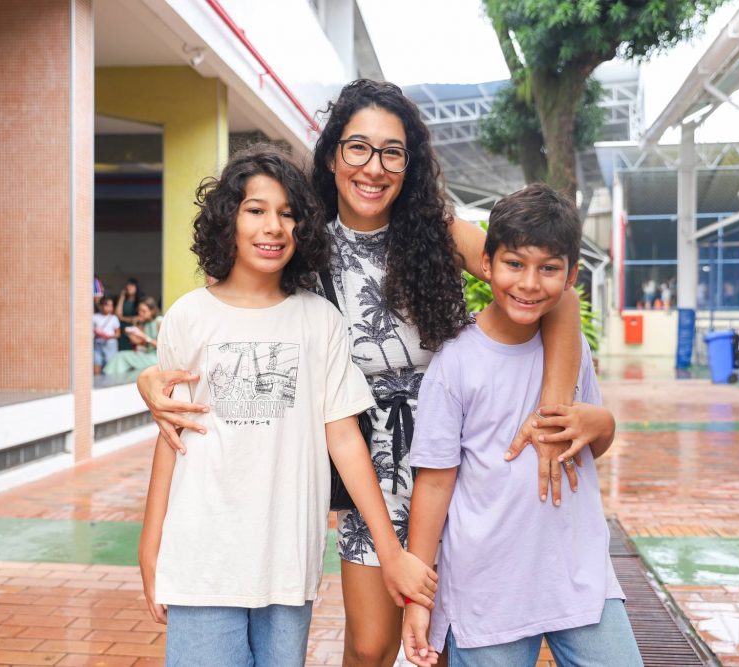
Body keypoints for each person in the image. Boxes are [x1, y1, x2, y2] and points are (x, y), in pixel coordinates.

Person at [137, 80, 584, 666]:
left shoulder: (439, 232)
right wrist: (151, 379)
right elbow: (230, 321)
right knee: (372, 646)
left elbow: (555, 293)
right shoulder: (300, 237)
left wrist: (552, 415)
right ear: (332, 154)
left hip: (458, 454)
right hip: (368, 461)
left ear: (409, 164)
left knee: (446, 638)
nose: (374, 167)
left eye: (392, 152)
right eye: (359, 148)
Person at [138, 146, 437, 666]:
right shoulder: (188, 317)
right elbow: (172, 436)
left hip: (286, 562)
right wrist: (150, 542)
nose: (273, 227)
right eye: (255, 209)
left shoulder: (320, 320)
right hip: (201, 558)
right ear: (227, 219)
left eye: (288, 213)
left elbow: (345, 440)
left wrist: (390, 552)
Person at [402, 184, 640, 667]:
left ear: (571, 276)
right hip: (488, 586)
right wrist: (418, 598)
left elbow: (586, 445)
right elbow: (435, 482)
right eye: (515, 264)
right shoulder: (456, 361)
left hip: (576, 573)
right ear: (486, 263)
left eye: (548, 268)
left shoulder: (570, 349)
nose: (530, 283)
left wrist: (602, 423)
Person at [103, 297, 162, 376]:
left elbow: (163, 346)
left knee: (122, 357)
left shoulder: (159, 321)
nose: (140, 313)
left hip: (157, 359)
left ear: (152, 311)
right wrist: (130, 334)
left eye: (144, 311)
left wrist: (144, 337)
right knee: (120, 355)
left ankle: (108, 377)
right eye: (139, 310)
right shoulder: (146, 323)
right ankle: (109, 377)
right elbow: (142, 343)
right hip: (147, 355)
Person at [93, 296, 121, 375]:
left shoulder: (114, 318)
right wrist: (97, 333)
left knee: (110, 366)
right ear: (101, 306)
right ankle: (97, 381)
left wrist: (109, 337)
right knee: (96, 363)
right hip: (98, 343)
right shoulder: (94, 317)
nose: (110, 308)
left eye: (111, 305)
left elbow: (118, 333)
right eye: (107, 305)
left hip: (110, 344)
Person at [115, 278, 143, 351]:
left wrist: (123, 318)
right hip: (122, 329)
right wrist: (122, 297)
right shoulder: (124, 301)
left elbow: (139, 318)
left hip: (133, 330)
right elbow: (117, 315)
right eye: (128, 285)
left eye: (132, 286)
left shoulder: (140, 301)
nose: (129, 287)